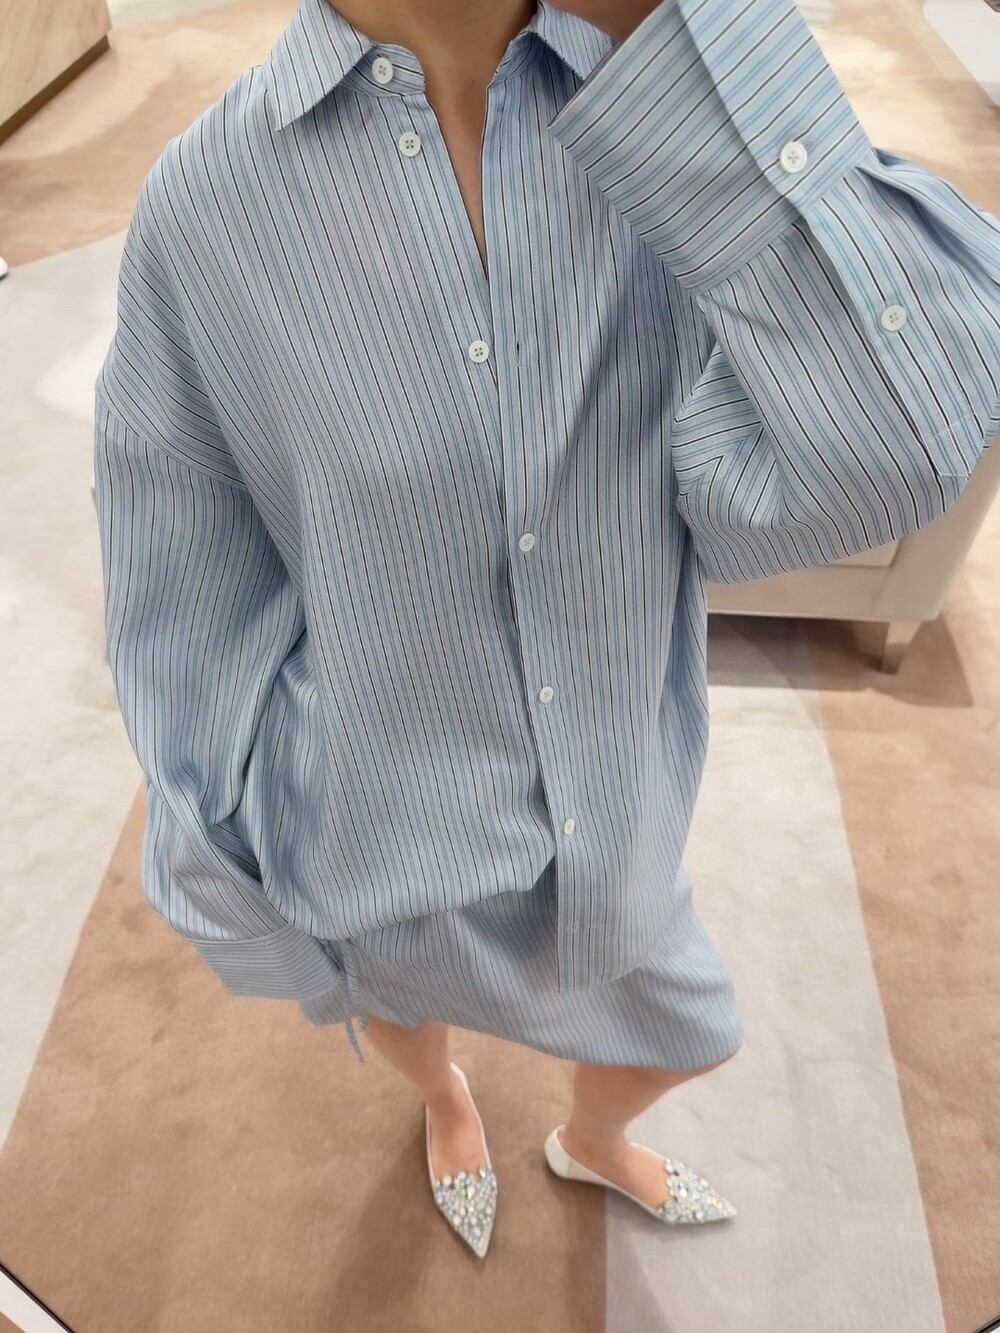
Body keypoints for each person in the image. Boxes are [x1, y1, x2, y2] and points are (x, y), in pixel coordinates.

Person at [92, 0, 1000, 1261]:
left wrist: (672, 43)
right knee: (403, 1012)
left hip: (617, 805)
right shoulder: (205, 207)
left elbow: (894, 449)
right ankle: (444, 1100)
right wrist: (242, 877)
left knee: (686, 1025)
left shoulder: (674, 127)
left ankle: (591, 1138)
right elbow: (182, 573)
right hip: (383, 814)